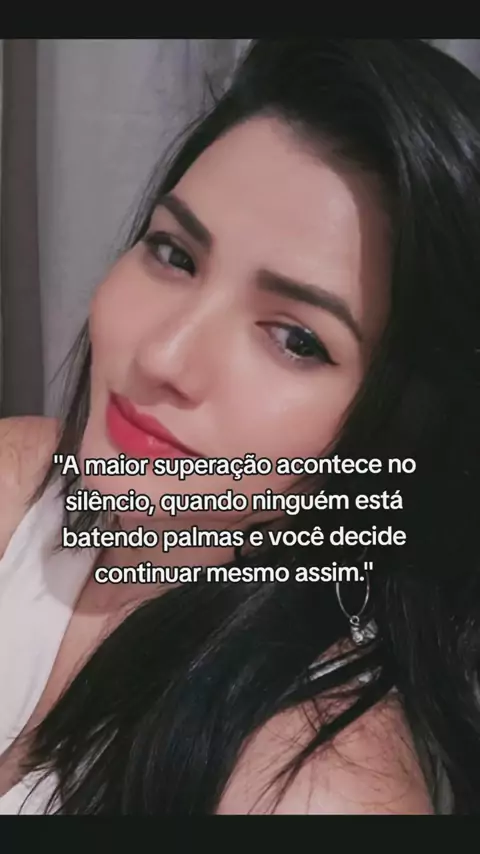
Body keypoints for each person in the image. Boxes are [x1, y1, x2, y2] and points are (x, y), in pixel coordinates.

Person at [0, 38, 479, 815]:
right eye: (174, 253)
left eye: (296, 339)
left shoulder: (315, 788)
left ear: (402, 429)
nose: (163, 355)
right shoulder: (20, 476)